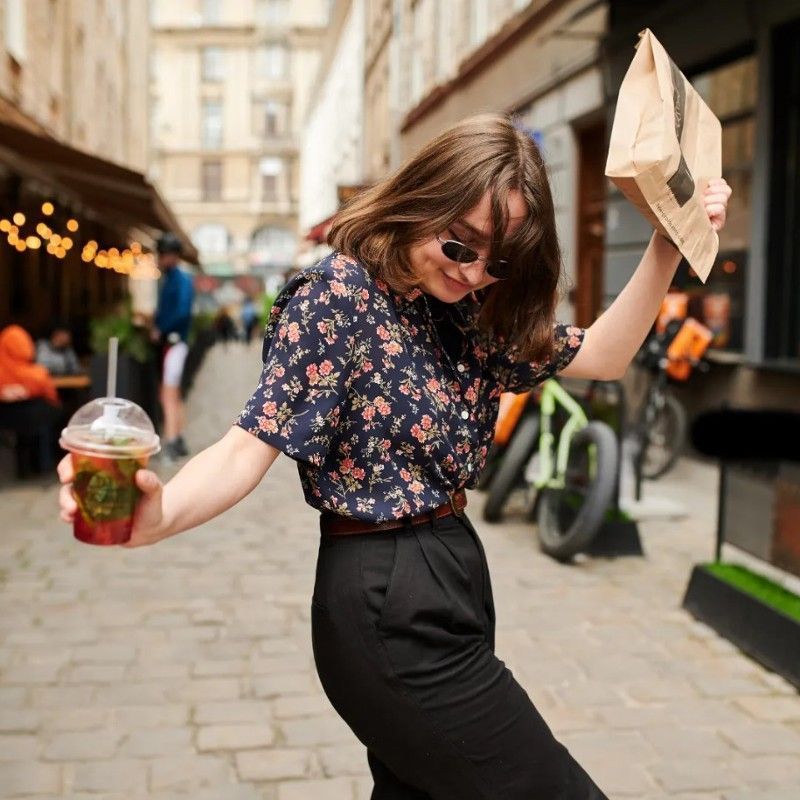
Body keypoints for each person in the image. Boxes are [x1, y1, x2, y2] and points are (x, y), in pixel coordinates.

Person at [58, 114, 731, 799]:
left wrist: (667, 241)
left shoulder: (467, 310)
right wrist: (157, 516)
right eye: (459, 244)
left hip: (451, 570)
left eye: (497, 260)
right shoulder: (336, 297)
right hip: (387, 597)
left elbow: (605, 355)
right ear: (422, 200)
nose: (473, 271)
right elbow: (244, 447)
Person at [151, 232, 195, 462]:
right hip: (174, 343)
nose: (160, 259)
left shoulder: (180, 280)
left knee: (168, 394)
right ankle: (177, 438)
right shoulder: (172, 279)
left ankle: (170, 442)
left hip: (174, 342)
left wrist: (161, 328)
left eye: (163, 254)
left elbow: (182, 312)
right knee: (172, 393)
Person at [1, 324, 61, 473]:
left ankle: (23, 466)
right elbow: (52, 397)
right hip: (36, 420)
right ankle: (44, 465)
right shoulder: (38, 374)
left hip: (8, 420)